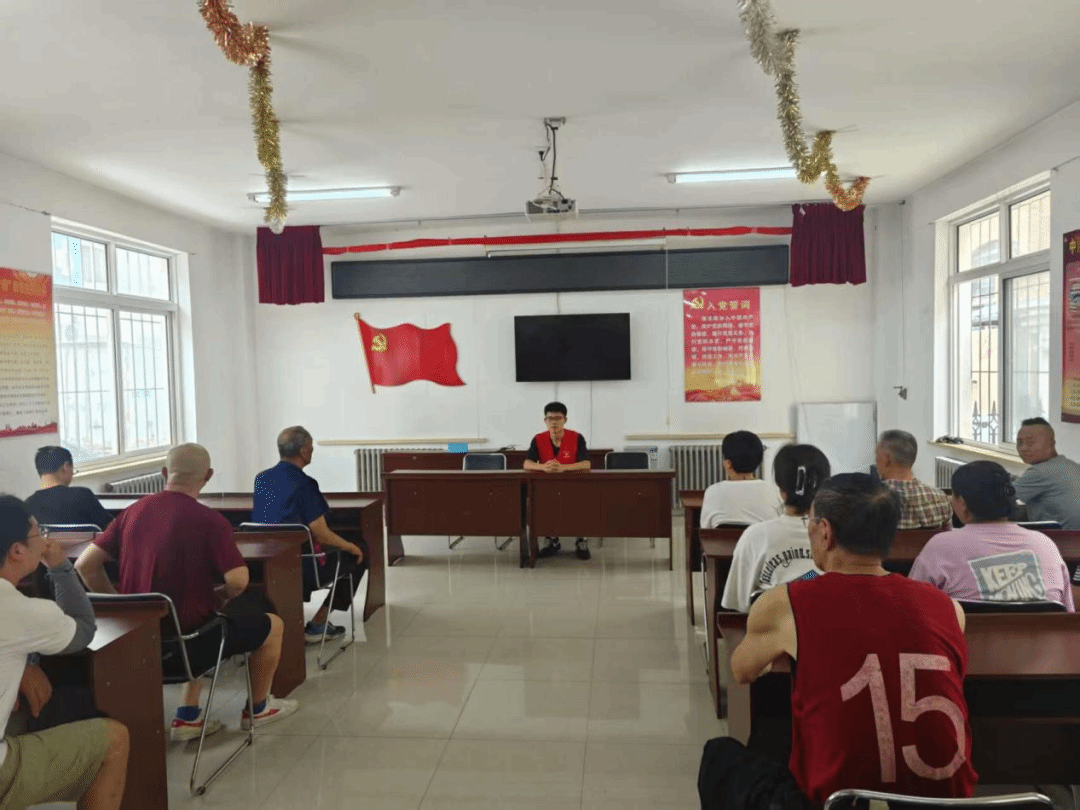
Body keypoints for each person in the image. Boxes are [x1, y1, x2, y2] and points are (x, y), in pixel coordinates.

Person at [701, 474, 976, 808]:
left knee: (719, 756)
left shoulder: (787, 602)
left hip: (836, 801)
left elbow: (742, 671)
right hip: (946, 803)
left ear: (825, 531)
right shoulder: (947, 607)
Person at [76, 444, 298, 740]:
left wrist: (122, 605)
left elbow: (85, 565)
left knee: (199, 614)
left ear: (164, 472)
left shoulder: (133, 512)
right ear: (208, 475)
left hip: (136, 641)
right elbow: (238, 581)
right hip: (190, 647)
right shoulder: (210, 521)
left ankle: (188, 715)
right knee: (271, 625)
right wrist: (221, 596)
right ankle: (258, 709)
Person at [0, 495, 129, 810]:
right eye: (38, 533)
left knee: (24, 712)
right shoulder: (22, 610)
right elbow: (83, 629)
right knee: (114, 738)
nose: (44, 540)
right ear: (17, 550)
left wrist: (25, 664)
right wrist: (59, 567)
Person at [253, 427, 368, 642]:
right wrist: (351, 547)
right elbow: (321, 534)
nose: (312, 450)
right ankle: (318, 623)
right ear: (303, 450)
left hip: (266, 561)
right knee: (361, 551)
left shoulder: (261, 479)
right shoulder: (304, 484)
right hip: (304, 567)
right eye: (311, 446)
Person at [910, 461, 1075, 610]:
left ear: (964, 503)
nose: (951, 501)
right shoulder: (1046, 545)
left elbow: (913, 606)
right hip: (1043, 635)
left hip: (966, 635)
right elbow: (1067, 615)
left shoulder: (940, 546)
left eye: (953, 495)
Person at [720, 444, 830, 612]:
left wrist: (784, 592)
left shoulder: (754, 536)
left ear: (781, 490)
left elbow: (737, 604)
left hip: (770, 626)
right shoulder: (840, 538)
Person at [523, 402, 593, 560]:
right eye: (550, 418)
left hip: (574, 486)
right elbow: (527, 464)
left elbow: (586, 464)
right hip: (547, 488)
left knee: (581, 501)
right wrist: (543, 467)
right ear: (545, 421)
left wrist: (563, 468)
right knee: (541, 502)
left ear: (565, 420)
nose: (553, 422)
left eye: (558, 418)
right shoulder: (538, 439)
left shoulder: (577, 437)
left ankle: (581, 541)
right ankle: (552, 542)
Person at [875, 429, 951, 529]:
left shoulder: (871, 501)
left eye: (877, 455)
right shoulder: (941, 499)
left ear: (887, 460)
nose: (876, 461)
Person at [23, 446, 113, 530]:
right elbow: (112, 528)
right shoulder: (82, 495)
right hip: (86, 543)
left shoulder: (28, 505)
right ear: (66, 467)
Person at [700, 431, 776, 528]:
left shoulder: (712, 492)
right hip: (762, 538)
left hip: (724, 538)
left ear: (728, 464)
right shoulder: (774, 492)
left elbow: (705, 530)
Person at [1014, 417, 1080, 529]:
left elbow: (996, 496)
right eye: (1020, 443)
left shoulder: (1040, 472)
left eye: (1031, 442)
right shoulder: (1071, 465)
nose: (1023, 448)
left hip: (1063, 537)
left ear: (1052, 443)